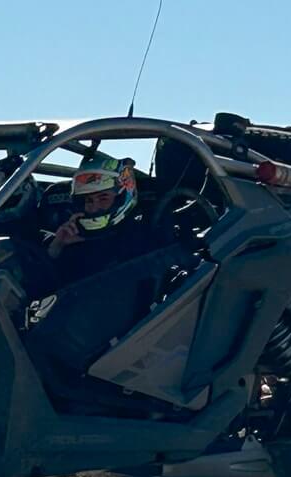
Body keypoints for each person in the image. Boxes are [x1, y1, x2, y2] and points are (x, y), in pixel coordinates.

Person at [23, 152, 191, 402]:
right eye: (88, 201)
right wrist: (56, 249)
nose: (94, 207)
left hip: (116, 354)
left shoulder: (145, 236)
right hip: (72, 347)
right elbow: (47, 292)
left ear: (122, 195)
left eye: (103, 198)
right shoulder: (73, 241)